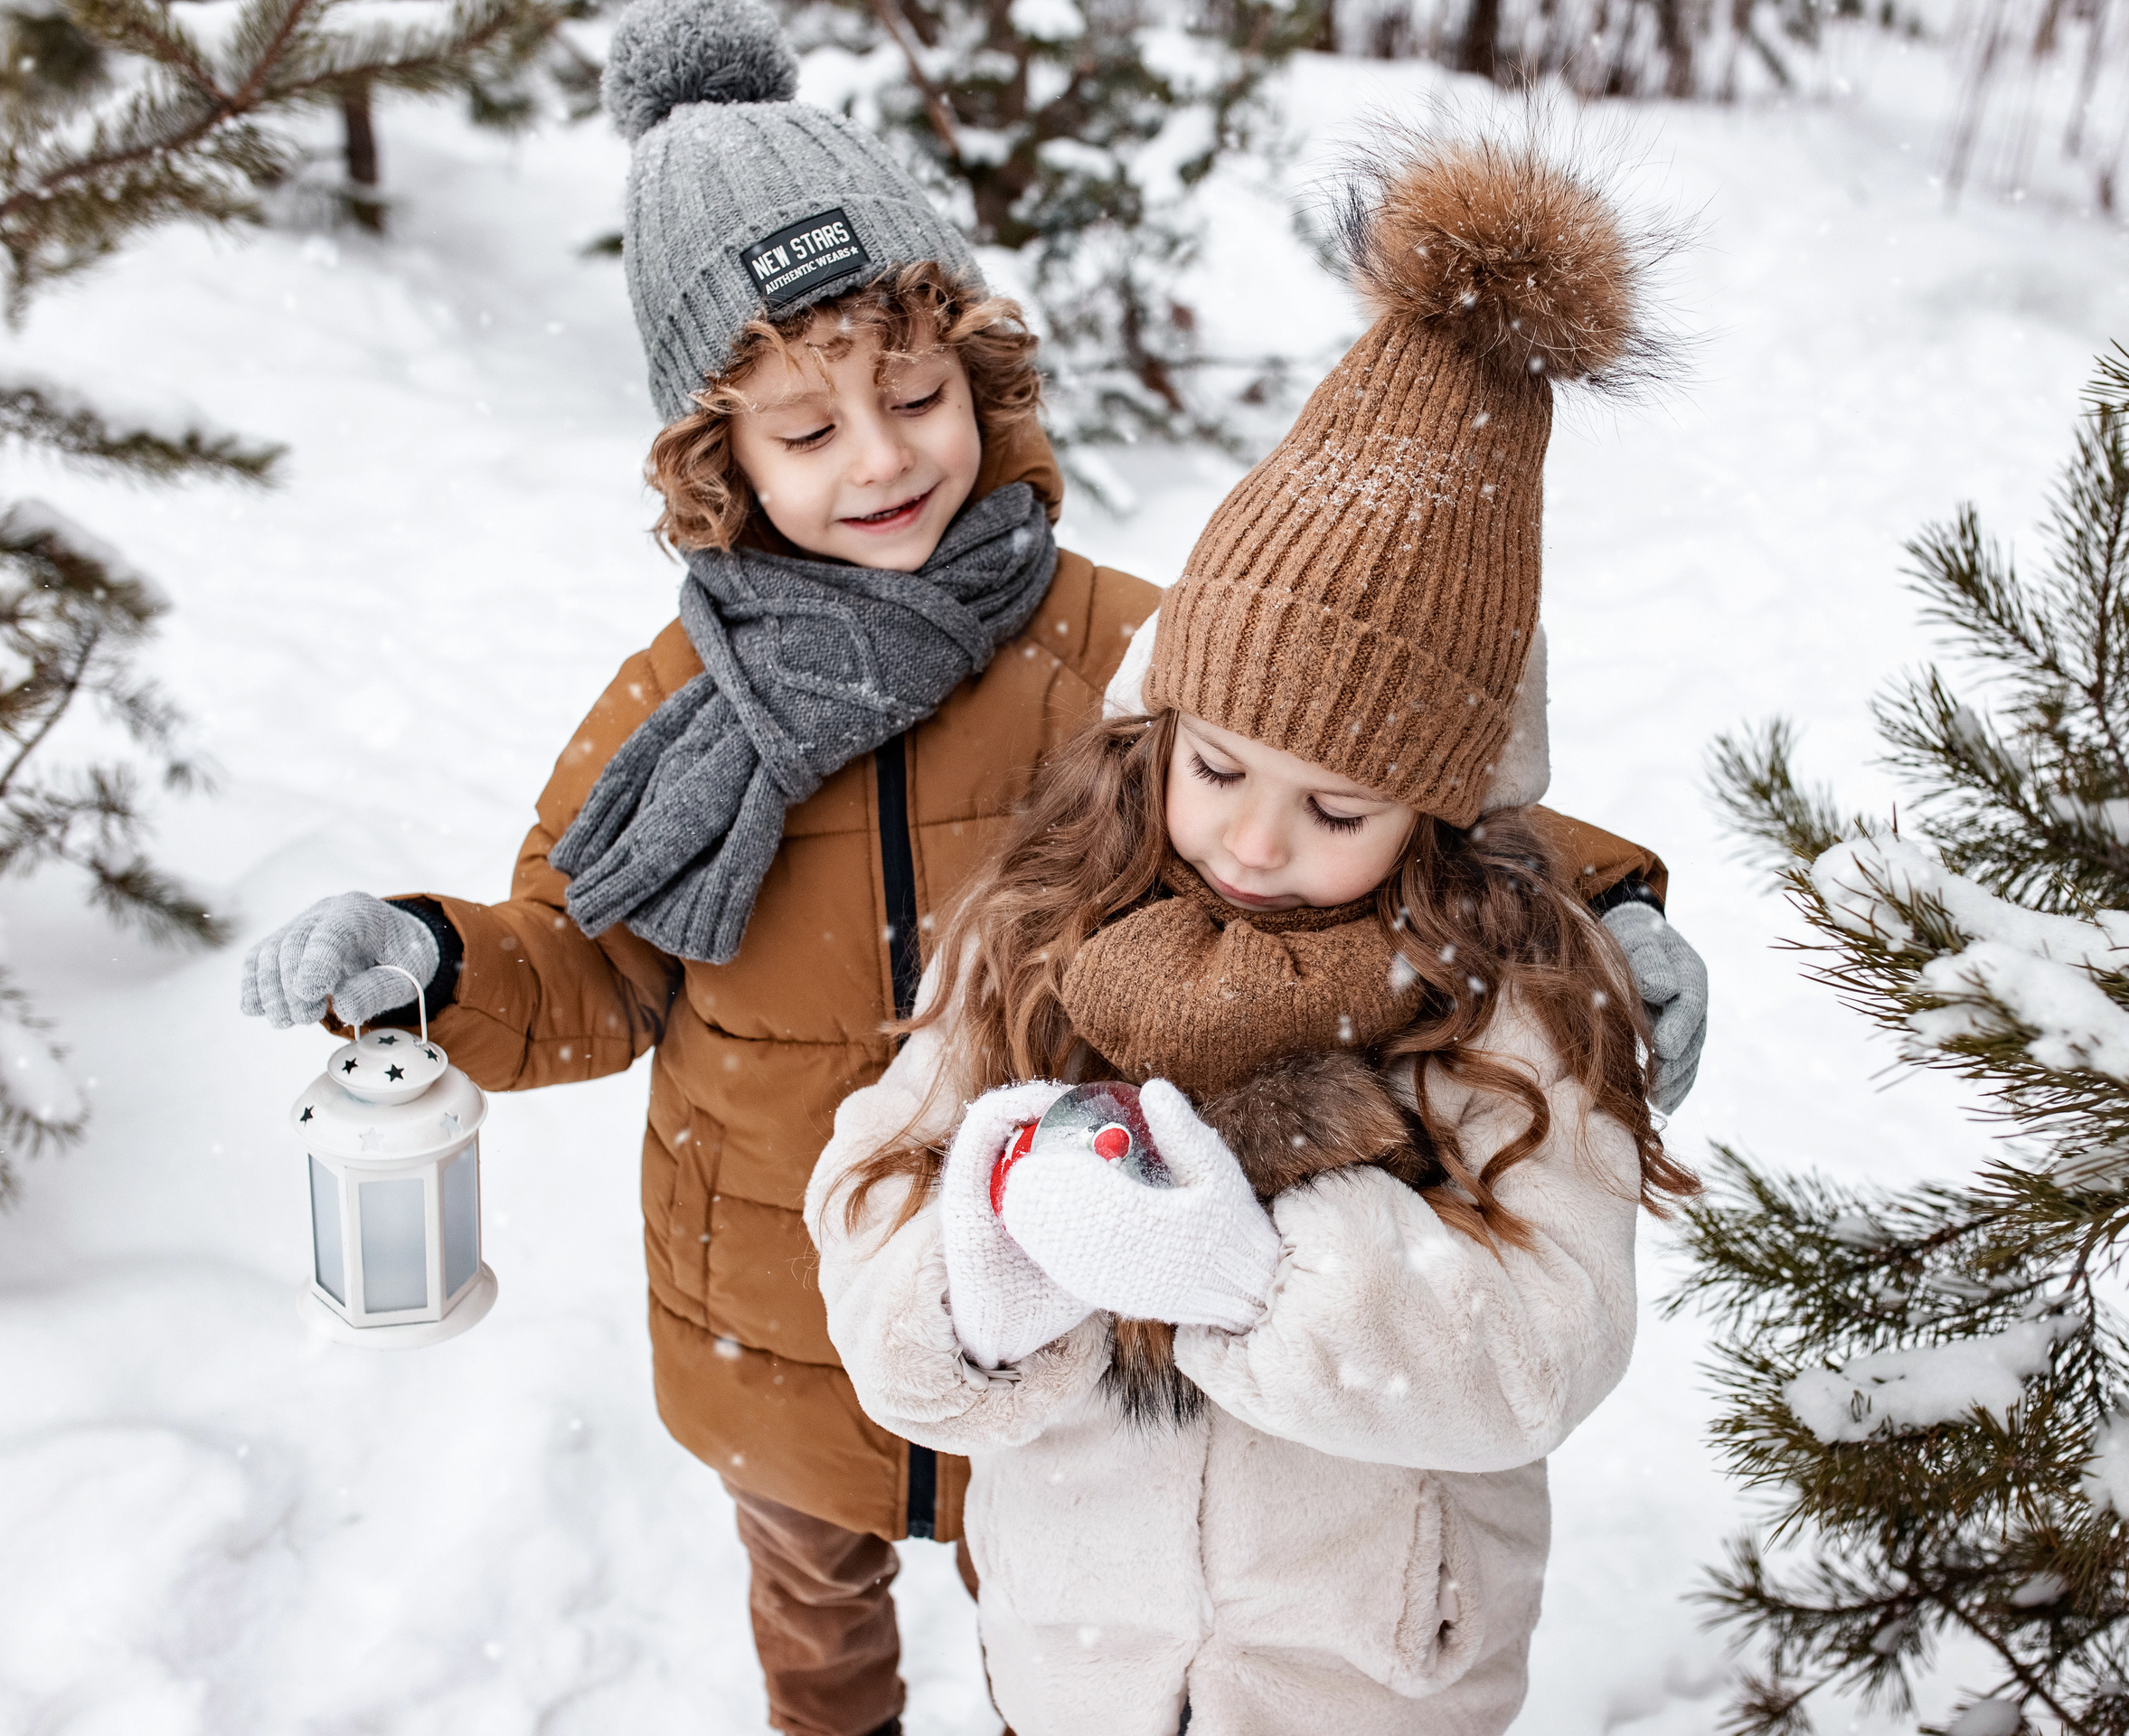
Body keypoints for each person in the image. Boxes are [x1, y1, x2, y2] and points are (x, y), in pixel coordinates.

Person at [238, 2, 1708, 1731]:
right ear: (717, 464)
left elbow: (1368, 755)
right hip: (790, 1300)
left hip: (1091, 1306)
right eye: (804, 431)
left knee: (1075, 1621)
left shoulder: (1112, 644)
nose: (880, 459)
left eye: (915, 395)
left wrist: (1602, 911)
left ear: (977, 378)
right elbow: (584, 954)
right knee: (818, 1627)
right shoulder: (673, 714)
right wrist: (432, 964)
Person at [808, 129, 1698, 1736]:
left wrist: (1256, 1274)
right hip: (1075, 1662)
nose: (1258, 842)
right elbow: (869, 1190)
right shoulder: (1038, 920)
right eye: (1220, 769)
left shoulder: (1510, 1000)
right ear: (1165, 724)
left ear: (1437, 813)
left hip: (1373, 1683)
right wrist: (982, 1273)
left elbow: (1547, 1351)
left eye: (1341, 812)